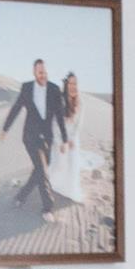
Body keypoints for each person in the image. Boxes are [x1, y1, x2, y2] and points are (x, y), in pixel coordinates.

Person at [0, 58, 64, 214]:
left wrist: (65, 137)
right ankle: (48, 207)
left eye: (45, 72)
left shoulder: (54, 89)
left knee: (39, 171)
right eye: (40, 72)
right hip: (30, 136)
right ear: (34, 73)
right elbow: (16, 108)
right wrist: (5, 128)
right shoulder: (27, 88)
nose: (43, 75)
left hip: (47, 138)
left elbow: (60, 115)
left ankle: (21, 196)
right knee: (41, 169)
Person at [52, 73, 87, 210]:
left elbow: (79, 123)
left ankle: (72, 193)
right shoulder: (60, 101)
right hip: (60, 138)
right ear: (66, 86)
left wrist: (72, 138)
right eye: (70, 84)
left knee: (73, 164)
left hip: (73, 138)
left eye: (75, 84)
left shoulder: (81, 102)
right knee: (60, 164)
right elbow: (55, 124)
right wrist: (61, 141)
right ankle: (57, 186)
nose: (73, 87)